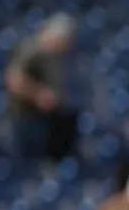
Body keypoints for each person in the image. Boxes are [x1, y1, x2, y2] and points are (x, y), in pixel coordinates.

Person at [5, 13, 78, 160]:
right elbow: (13, 79)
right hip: (25, 117)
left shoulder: (60, 55)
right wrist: (39, 94)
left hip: (49, 118)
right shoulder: (32, 49)